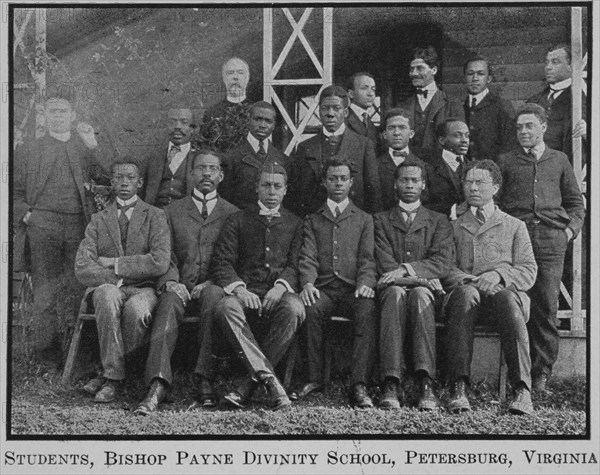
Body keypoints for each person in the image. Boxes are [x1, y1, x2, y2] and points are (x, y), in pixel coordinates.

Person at [138, 149, 238, 414]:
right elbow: (164, 254)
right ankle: (158, 382)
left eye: (213, 169)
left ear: (221, 175)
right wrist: (172, 281)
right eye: (201, 168)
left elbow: (232, 258)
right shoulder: (171, 211)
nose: (206, 174)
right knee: (168, 302)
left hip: (212, 285)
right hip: (180, 285)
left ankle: (204, 377)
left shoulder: (232, 213)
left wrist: (213, 281)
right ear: (191, 174)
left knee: (214, 296)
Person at [14, 95, 111, 367]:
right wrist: (29, 215)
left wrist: (93, 144)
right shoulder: (28, 150)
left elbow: (107, 177)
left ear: (72, 115)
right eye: (52, 111)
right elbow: (13, 191)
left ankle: (82, 358)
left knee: (81, 290)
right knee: (45, 294)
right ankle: (48, 360)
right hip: (42, 226)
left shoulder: (83, 148)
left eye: (63, 110)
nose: (58, 115)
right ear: (44, 115)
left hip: (78, 225)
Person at [497, 104, 584, 394]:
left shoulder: (559, 160)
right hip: (516, 240)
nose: (523, 132)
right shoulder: (506, 161)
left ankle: (542, 373)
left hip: (550, 240)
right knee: (516, 304)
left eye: (529, 126)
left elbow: (575, 203)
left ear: (543, 127)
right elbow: (495, 203)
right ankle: (517, 373)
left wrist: (569, 230)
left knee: (546, 305)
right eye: (519, 127)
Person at [444, 160, 538, 415]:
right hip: (467, 299)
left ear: (495, 188)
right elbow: (446, 269)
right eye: (468, 182)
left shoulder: (514, 225)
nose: (473, 188)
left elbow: (529, 270)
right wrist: (475, 281)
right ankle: (459, 386)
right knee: (465, 295)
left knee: (507, 299)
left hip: (503, 299)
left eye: (480, 183)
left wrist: (498, 275)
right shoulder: (452, 226)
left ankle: (522, 390)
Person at [74, 160, 170, 404]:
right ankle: (115, 378)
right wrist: (115, 279)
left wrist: (116, 264)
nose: (124, 182)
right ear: (112, 183)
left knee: (137, 311)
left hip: (144, 288)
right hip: (109, 286)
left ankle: (107, 374)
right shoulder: (98, 220)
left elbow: (160, 261)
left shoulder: (156, 216)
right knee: (106, 296)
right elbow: (83, 265)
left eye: (130, 178)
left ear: (139, 183)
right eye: (118, 178)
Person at [210, 164, 304, 410]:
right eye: (266, 185)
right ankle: (271, 382)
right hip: (246, 291)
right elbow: (222, 262)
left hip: (279, 293)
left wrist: (281, 287)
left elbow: (296, 265)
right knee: (225, 307)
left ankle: (248, 385)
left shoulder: (296, 224)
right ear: (256, 188)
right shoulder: (237, 220)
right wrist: (240, 290)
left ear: (285, 191)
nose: (271, 191)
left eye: (277, 186)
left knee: (294, 308)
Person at [298, 158, 378, 409]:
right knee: (310, 309)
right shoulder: (313, 219)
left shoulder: (364, 219)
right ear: (324, 182)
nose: (338, 183)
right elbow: (307, 257)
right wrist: (308, 283)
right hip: (323, 288)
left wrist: (365, 283)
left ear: (351, 183)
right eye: (333, 178)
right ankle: (314, 377)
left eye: (343, 178)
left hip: (352, 289)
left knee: (367, 310)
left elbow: (367, 258)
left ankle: (359, 383)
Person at [375, 160, 453, 411]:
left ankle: (425, 381)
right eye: (404, 180)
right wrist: (419, 277)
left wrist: (405, 271)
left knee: (419, 294)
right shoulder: (380, 220)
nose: (409, 185)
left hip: (426, 295)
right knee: (396, 292)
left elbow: (442, 262)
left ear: (423, 185)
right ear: (395, 184)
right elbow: (383, 262)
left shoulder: (439, 221)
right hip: (391, 293)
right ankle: (391, 381)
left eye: (415, 180)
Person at [287, 85, 382, 217]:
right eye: (325, 108)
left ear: (346, 112)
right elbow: (298, 194)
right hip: (316, 223)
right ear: (319, 111)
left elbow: (373, 192)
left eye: (336, 108)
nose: (330, 114)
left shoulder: (363, 145)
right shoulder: (305, 147)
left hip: (353, 223)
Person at [220, 101, 289, 209]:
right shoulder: (231, 157)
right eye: (257, 119)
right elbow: (225, 199)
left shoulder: (282, 159)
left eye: (268, 121)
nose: (262, 125)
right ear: (248, 120)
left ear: (274, 125)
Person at [526, 44, 587, 161]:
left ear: (571, 66)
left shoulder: (582, 100)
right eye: (547, 62)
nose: (548, 67)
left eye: (555, 62)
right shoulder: (534, 101)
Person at [398, 46, 464, 150]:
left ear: (433, 70)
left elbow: (459, 141)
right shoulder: (403, 105)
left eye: (420, 68)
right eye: (411, 69)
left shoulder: (452, 104)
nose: (414, 73)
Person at [462, 56, 517, 161]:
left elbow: (509, 146)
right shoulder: (459, 108)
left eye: (481, 74)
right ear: (464, 78)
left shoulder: (502, 106)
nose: (475, 78)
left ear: (489, 79)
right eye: (470, 74)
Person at [143, 107, 197, 208]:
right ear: (166, 126)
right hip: (156, 215)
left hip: (185, 216)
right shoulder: (153, 157)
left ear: (192, 129)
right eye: (172, 122)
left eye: (184, 122)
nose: (177, 127)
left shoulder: (199, 159)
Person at [377, 108, 428, 211]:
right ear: (384, 134)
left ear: (411, 133)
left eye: (402, 128)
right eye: (391, 128)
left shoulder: (423, 165)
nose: (397, 133)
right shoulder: (375, 165)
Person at [200, 57, 253, 153]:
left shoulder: (255, 110)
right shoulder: (211, 113)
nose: (235, 77)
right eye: (230, 73)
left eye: (240, 72)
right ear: (224, 78)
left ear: (247, 77)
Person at [424, 118, 471, 218]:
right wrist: (453, 211)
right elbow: (420, 205)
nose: (464, 140)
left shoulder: (472, 167)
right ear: (442, 140)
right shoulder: (427, 167)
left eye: (467, 135)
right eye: (457, 135)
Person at [345, 72, 380, 148]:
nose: (370, 93)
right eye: (364, 88)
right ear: (351, 94)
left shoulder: (369, 122)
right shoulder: (343, 119)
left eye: (373, 89)